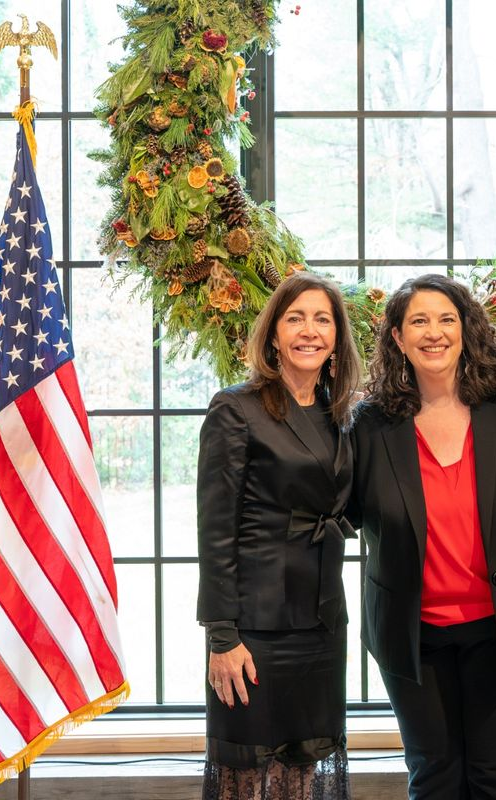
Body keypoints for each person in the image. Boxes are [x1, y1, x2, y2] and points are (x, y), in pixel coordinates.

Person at [349, 274, 496, 800]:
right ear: (396, 337)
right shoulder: (370, 424)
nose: (433, 332)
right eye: (418, 320)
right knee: (434, 777)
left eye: (446, 319)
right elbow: (336, 512)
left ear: (466, 329)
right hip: (413, 636)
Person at [197, 272, 361, 800]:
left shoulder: (342, 412)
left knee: (304, 774)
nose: (309, 331)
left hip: (322, 625)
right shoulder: (236, 408)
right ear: (273, 334)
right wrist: (222, 636)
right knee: (247, 776)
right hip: (254, 630)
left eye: (322, 319)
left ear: (336, 336)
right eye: (295, 318)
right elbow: (215, 531)